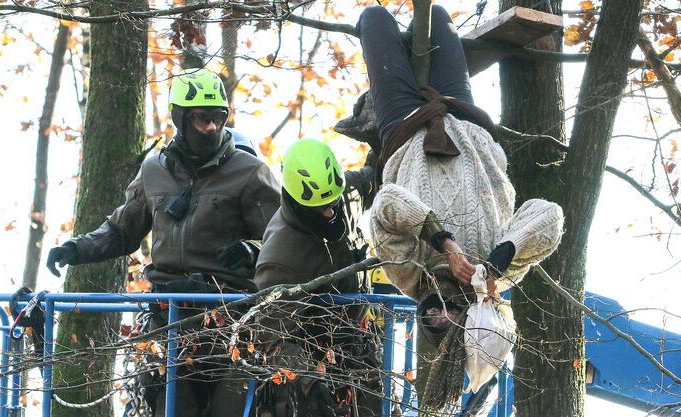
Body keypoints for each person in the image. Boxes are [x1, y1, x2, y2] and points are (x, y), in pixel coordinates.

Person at [347, 5, 565, 410]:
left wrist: (443, 242)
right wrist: (500, 258)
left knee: (374, 19)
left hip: (406, 127)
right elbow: (548, 215)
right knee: (438, 16)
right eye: (449, 319)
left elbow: (387, 205)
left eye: (431, 322)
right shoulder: (499, 277)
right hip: (468, 120)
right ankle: (421, 33)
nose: (438, 314)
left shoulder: (409, 275)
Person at [45, 68, 282, 416]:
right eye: (203, 118)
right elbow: (121, 229)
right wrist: (77, 248)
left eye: (219, 117)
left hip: (230, 315)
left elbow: (280, 235)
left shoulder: (250, 170)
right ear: (180, 118)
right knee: (172, 408)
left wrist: (253, 249)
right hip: (167, 317)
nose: (212, 127)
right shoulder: (154, 169)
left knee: (230, 410)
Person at [252, 138, 380, 417]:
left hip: (358, 346)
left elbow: (379, 173)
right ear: (297, 204)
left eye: (332, 203)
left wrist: (382, 135)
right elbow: (270, 335)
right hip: (308, 356)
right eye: (319, 209)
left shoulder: (347, 193)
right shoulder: (280, 257)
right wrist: (309, 383)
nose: (330, 212)